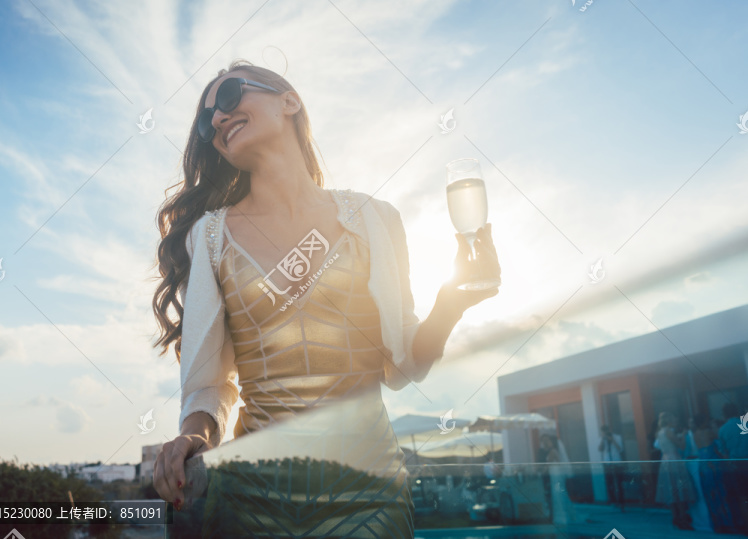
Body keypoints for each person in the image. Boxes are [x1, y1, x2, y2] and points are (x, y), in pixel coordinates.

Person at [150, 60, 501, 538]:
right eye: (205, 118)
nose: (215, 118)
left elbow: (401, 367)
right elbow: (209, 385)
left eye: (229, 97)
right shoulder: (208, 238)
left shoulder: (376, 218)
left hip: (369, 496)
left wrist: (450, 305)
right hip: (249, 499)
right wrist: (195, 435)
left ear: (289, 101)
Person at [654, 412, 696, 530]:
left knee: (671, 489)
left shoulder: (659, 433)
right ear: (669, 421)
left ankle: (675, 517)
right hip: (674, 459)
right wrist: (683, 435)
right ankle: (683, 519)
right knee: (680, 490)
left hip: (665, 460)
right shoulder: (669, 431)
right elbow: (681, 446)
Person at [717, 403, 748, 533]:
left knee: (743, 497)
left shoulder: (722, 429)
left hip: (736, 465)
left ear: (724, 414)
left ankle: (746, 526)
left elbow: (722, 451)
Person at [541, 434, 581, 525]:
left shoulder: (552, 452)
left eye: (548, 441)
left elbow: (548, 465)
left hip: (555, 475)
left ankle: (561, 518)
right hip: (556, 474)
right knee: (561, 493)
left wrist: (540, 473)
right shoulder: (554, 451)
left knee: (557, 495)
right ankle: (568, 515)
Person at [597, 425, 625, 511]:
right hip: (608, 463)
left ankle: (621, 503)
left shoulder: (617, 437)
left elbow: (620, 449)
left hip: (616, 462)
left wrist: (612, 440)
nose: (605, 432)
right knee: (610, 483)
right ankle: (613, 502)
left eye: (606, 430)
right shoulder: (602, 438)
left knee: (619, 484)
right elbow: (600, 449)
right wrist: (602, 439)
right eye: (603, 431)